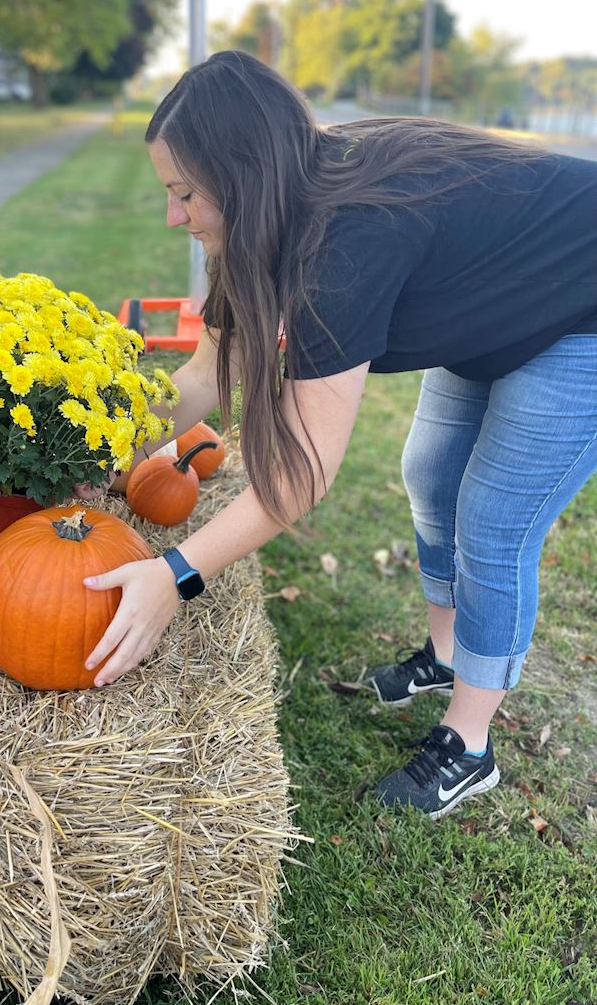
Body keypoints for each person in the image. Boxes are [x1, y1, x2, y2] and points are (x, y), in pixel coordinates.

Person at [78, 50, 597, 819]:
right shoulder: (271, 214)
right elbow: (203, 374)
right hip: (493, 312)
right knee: (430, 475)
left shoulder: (343, 248)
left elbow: (302, 474)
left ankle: (470, 743)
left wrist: (175, 575)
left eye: (185, 193)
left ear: (241, 174)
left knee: (493, 525)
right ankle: (448, 656)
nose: (173, 216)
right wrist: (107, 451)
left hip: (579, 311)